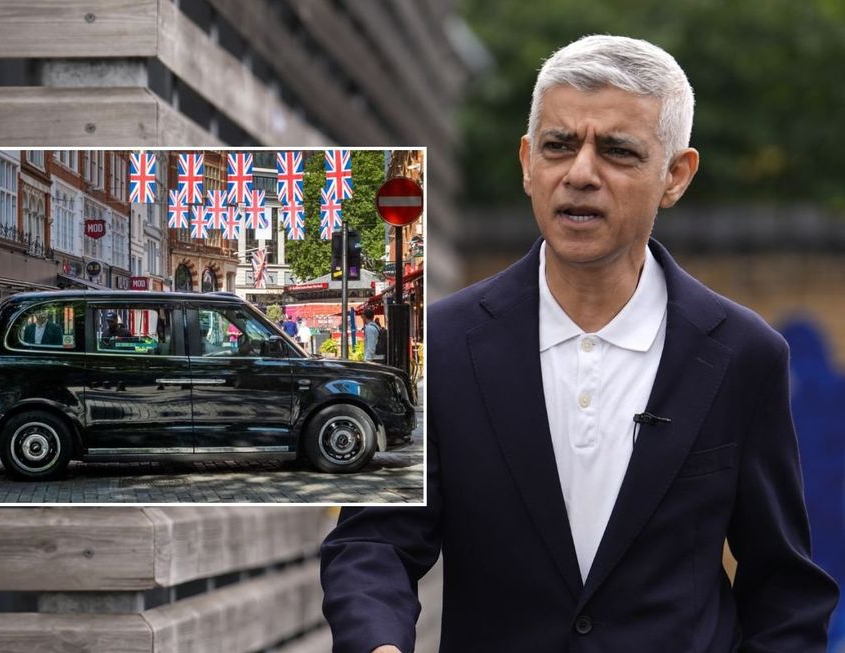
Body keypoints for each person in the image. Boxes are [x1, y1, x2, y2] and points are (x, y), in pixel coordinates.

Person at [320, 35, 838, 653]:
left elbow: (784, 590)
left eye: (618, 152)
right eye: (559, 146)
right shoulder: (444, 346)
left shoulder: (743, 354)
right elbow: (373, 542)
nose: (581, 174)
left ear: (675, 175)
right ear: (526, 162)